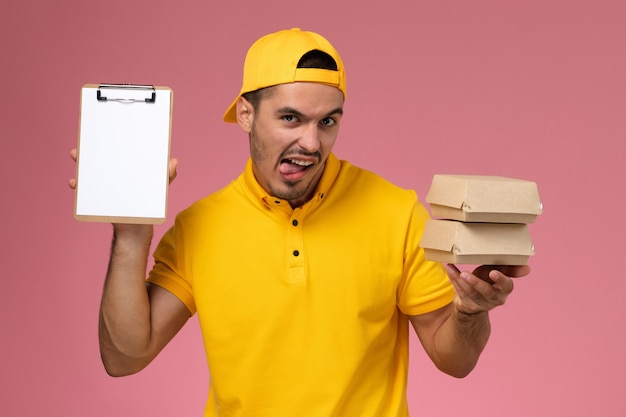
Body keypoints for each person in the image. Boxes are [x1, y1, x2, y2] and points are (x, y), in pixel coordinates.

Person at [69, 28, 529, 417]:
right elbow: (124, 357)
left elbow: (455, 360)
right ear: (246, 115)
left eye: (327, 121)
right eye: (290, 118)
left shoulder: (395, 211)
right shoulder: (200, 227)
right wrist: (132, 236)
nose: (311, 141)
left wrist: (469, 313)